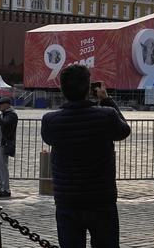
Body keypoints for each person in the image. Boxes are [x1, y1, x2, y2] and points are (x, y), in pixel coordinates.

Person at [41, 64, 131, 248]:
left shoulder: (51, 121)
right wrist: (106, 100)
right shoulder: (106, 116)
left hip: (68, 200)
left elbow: (49, 138)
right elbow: (124, 130)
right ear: (88, 88)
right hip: (101, 199)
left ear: (62, 89)